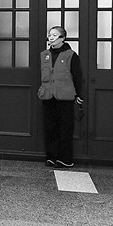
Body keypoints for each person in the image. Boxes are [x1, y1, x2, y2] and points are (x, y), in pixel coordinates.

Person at [39, 26, 84, 168]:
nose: (51, 38)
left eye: (54, 35)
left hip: (65, 96)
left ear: (62, 38)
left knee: (65, 128)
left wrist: (79, 94)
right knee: (50, 128)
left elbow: (77, 76)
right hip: (48, 96)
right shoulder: (44, 55)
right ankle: (51, 157)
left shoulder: (71, 55)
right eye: (50, 35)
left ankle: (65, 159)